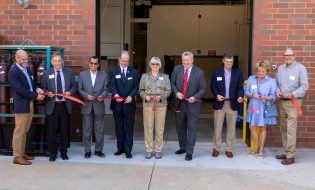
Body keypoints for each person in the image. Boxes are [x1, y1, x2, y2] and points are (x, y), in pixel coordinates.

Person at [8, 50, 45, 165]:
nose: (25, 61)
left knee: (25, 129)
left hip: (29, 102)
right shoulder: (13, 72)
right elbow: (19, 89)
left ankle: (22, 153)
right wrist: (35, 96)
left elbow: (31, 84)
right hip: (21, 104)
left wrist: (36, 89)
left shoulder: (27, 69)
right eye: (23, 59)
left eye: (26, 59)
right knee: (19, 131)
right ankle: (17, 157)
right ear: (16, 58)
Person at [275, 48, 309, 165]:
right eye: (285, 55)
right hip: (282, 102)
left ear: (295, 56)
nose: (287, 57)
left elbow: (304, 86)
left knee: (291, 129)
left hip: (293, 103)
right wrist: (277, 91)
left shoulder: (301, 68)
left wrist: (293, 94)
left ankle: (291, 155)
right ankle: (286, 151)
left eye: (290, 55)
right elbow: (276, 83)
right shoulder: (280, 68)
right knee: (283, 129)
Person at [41, 53, 77, 161]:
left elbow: (75, 87)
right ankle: (52, 153)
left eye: (59, 61)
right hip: (52, 105)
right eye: (55, 61)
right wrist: (48, 93)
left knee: (64, 130)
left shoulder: (69, 72)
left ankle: (64, 152)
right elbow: (43, 87)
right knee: (52, 131)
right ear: (51, 62)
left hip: (65, 105)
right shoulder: (47, 73)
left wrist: (70, 92)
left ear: (62, 61)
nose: (57, 63)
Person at [171, 51, 206, 161]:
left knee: (191, 128)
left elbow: (203, 88)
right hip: (179, 104)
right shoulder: (177, 69)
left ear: (192, 60)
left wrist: (195, 97)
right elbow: (172, 83)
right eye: (184, 60)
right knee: (180, 127)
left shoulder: (199, 72)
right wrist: (177, 93)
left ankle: (189, 152)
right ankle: (183, 147)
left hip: (193, 105)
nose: (185, 62)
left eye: (188, 60)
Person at [210, 53, 244, 158]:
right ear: (223, 61)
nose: (229, 63)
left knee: (231, 128)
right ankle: (216, 148)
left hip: (232, 103)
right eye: (227, 61)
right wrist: (216, 95)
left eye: (231, 62)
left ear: (233, 62)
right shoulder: (217, 72)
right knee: (217, 127)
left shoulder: (238, 73)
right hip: (219, 103)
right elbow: (213, 86)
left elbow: (240, 87)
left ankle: (229, 149)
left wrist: (240, 96)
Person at [108, 51, 139, 159]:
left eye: (126, 61)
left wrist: (131, 96)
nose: (125, 63)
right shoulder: (113, 71)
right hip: (117, 105)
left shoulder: (134, 72)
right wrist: (116, 95)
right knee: (119, 128)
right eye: (123, 60)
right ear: (119, 59)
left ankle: (128, 150)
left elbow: (136, 87)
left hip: (129, 106)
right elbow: (111, 85)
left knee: (129, 128)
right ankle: (120, 148)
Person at [139, 57, 171, 159]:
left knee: (159, 127)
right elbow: (140, 90)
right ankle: (148, 149)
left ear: (160, 65)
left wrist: (161, 96)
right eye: (153, 64)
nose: (155, 66)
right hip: (148, 103)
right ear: (150, 65)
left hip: (160, 104)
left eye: (157, 64)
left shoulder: (165, 77)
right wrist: (145, 96)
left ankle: (158, 149)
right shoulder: (144, 76)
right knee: (148, 127)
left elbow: (168, 90)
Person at [245, 60, 277, 158]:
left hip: (264, 107)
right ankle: (255, 148)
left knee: (263, 127)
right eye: (259, 71)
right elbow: (246, 92)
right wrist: (252, 94)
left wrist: (267, 98)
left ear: (267, 72)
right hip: (253, 106)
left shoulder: (271, 81)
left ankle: (261, 150)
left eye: (263, 71)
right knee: (252, 127)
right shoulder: (251, 79)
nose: (260, 73)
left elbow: (273, 95)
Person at [78, 56, 108, 159]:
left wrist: (102, 96)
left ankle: (98, 150)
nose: (93, 65)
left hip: (99, 105)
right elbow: (80, 89)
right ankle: (87, 151)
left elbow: (106, 89)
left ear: (98, 64)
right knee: (86, 129)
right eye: (91, 63)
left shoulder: (103, 75)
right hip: (86, 105)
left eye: (95, 63)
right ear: (89, 63)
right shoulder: (82, 75)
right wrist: (86, 96)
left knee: (99, 129)